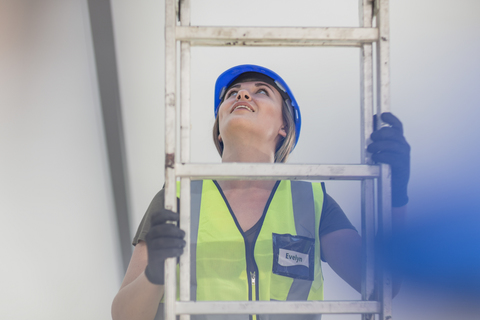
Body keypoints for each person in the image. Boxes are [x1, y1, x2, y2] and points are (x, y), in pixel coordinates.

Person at [111, 65, 410, 320]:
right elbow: (124, 314)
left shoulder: (314, 203)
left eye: (261, 92)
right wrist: (154, 273)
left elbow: (382, 283)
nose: (242, 95)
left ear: (283, 125)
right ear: (218, 130)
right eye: (233, 94)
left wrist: (394, 196)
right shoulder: (177, 197)